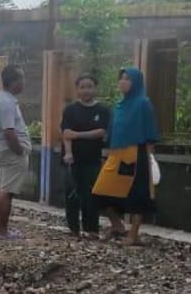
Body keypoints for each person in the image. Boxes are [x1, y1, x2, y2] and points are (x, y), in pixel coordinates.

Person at [93, 68, 159, 247]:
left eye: (127, 79)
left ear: (136, 82)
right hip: (116, 155)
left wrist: (149, 157)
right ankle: (117, 226)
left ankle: (134, 234)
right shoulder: (119, 105)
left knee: (138, 195)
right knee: (100, 192)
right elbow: (112, 134)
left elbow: (151, 133)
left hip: (136, 155)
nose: (123, 82)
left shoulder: (143, 103)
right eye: (121, 78)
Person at [60, 74, 111, 239]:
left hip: (93, 159)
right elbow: (66, 133)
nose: (86, 90)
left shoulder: (103, 110)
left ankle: (92, 229)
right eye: (82, 87)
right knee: (72, 193)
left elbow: (101, 132)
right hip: (72, 159)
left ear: (95, 89)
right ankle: (73, 228)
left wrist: (78, 135)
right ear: (77, 90)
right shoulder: (70, 109)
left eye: (89, 86)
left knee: (91, 195)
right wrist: (68, 153)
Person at [0, 65, 31, 240]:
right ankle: (2, 231)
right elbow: (9, 131)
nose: (23, 83)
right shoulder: (6, 102)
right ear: (12, 81)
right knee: (7, 191)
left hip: (4, 150)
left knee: (1, 189)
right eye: (21, 79)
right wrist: (20, 150)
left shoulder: (4, 99)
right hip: (12, 152)